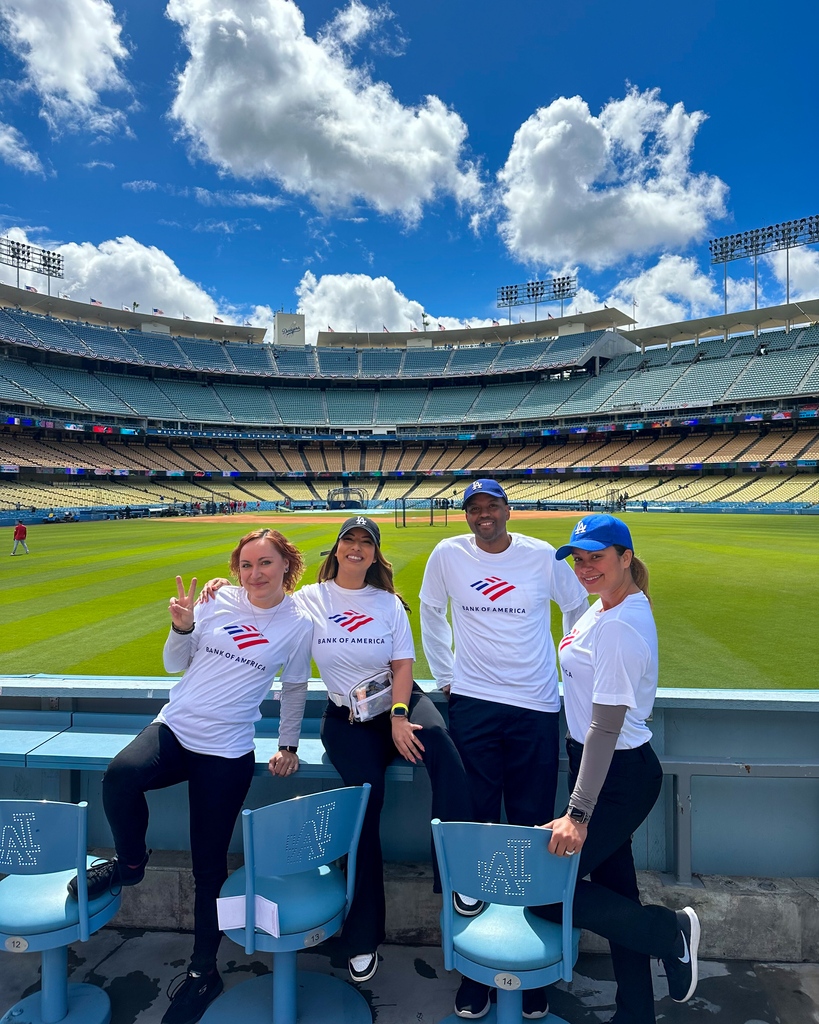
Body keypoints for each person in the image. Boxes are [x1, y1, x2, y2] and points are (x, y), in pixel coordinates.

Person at [202, 516, 473, 985]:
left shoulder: (389, 603)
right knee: (365, 810)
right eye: (350, 539)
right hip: (347, 722)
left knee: (446, 753)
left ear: (374, 554)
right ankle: (363, 936)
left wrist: (399, 716)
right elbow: (258, 599)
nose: (357, 548)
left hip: (399, 706)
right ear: (337, 549)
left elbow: (402, 665)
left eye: (366, 543)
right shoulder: (310, 600)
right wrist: (219, 587)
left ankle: (457, 876)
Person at [69, 528, 312, 1024]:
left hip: (225, 752)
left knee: (208, 868)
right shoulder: (217, 600)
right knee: (119, 777)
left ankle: (204, 972)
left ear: (286, 565)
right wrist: (182, 627)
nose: (254, 574)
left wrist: (288, 744)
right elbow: (173, 664)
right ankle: (131, 865)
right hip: (176, 730)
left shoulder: (298, 621)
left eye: (265, 563)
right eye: (246, 565)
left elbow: (294, 687)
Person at [419, 478, 588, 1020]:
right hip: (472, 704)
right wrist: (447, 676)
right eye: (474, 508)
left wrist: (569, 667)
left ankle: (532, 969)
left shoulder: (541, 556)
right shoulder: (448, 554)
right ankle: (477, 970)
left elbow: (577, 606)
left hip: (536, 705)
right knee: (478, 826)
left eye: (491, 506)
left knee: (534, 824)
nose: (483, 514)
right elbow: (429, 611)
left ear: (508, 511)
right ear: (466, 515)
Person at [533, 513, 700, 1022]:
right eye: (579, 559)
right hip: (595, 764)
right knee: (615, 892)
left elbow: (606, 728)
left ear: (626, 558)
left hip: (616, 773)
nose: (586, 568)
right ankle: (636, 1011)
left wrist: (577, 814)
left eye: (597, 558)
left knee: (546, 893)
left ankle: (669, 932)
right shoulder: (604, 609)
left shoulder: (622, 626)